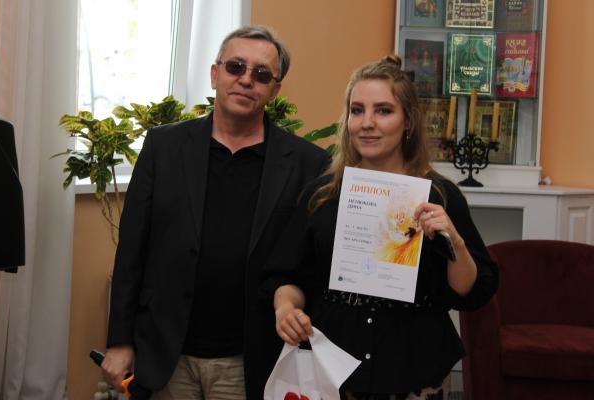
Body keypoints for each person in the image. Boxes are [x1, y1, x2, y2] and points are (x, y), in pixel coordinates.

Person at [101, 26, 330, 399]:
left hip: (249, 361)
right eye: (235, 67)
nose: (246, 80)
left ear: (275, 91)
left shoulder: (308, 164)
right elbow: (131, 252)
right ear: (214, 74)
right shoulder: (163, 147)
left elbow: (309, 265)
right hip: (167, 355)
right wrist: (120, 341)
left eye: (261, 74)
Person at [266, 55, 498, 400]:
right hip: (332, 371)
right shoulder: (320, 196)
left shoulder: (439, 196)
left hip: (414, 371)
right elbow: (288, 275)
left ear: (408, 121)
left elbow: (470, 292)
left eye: (384, 111)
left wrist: (454, 240)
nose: (367, 123)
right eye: (357, 110)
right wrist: (286, 308)